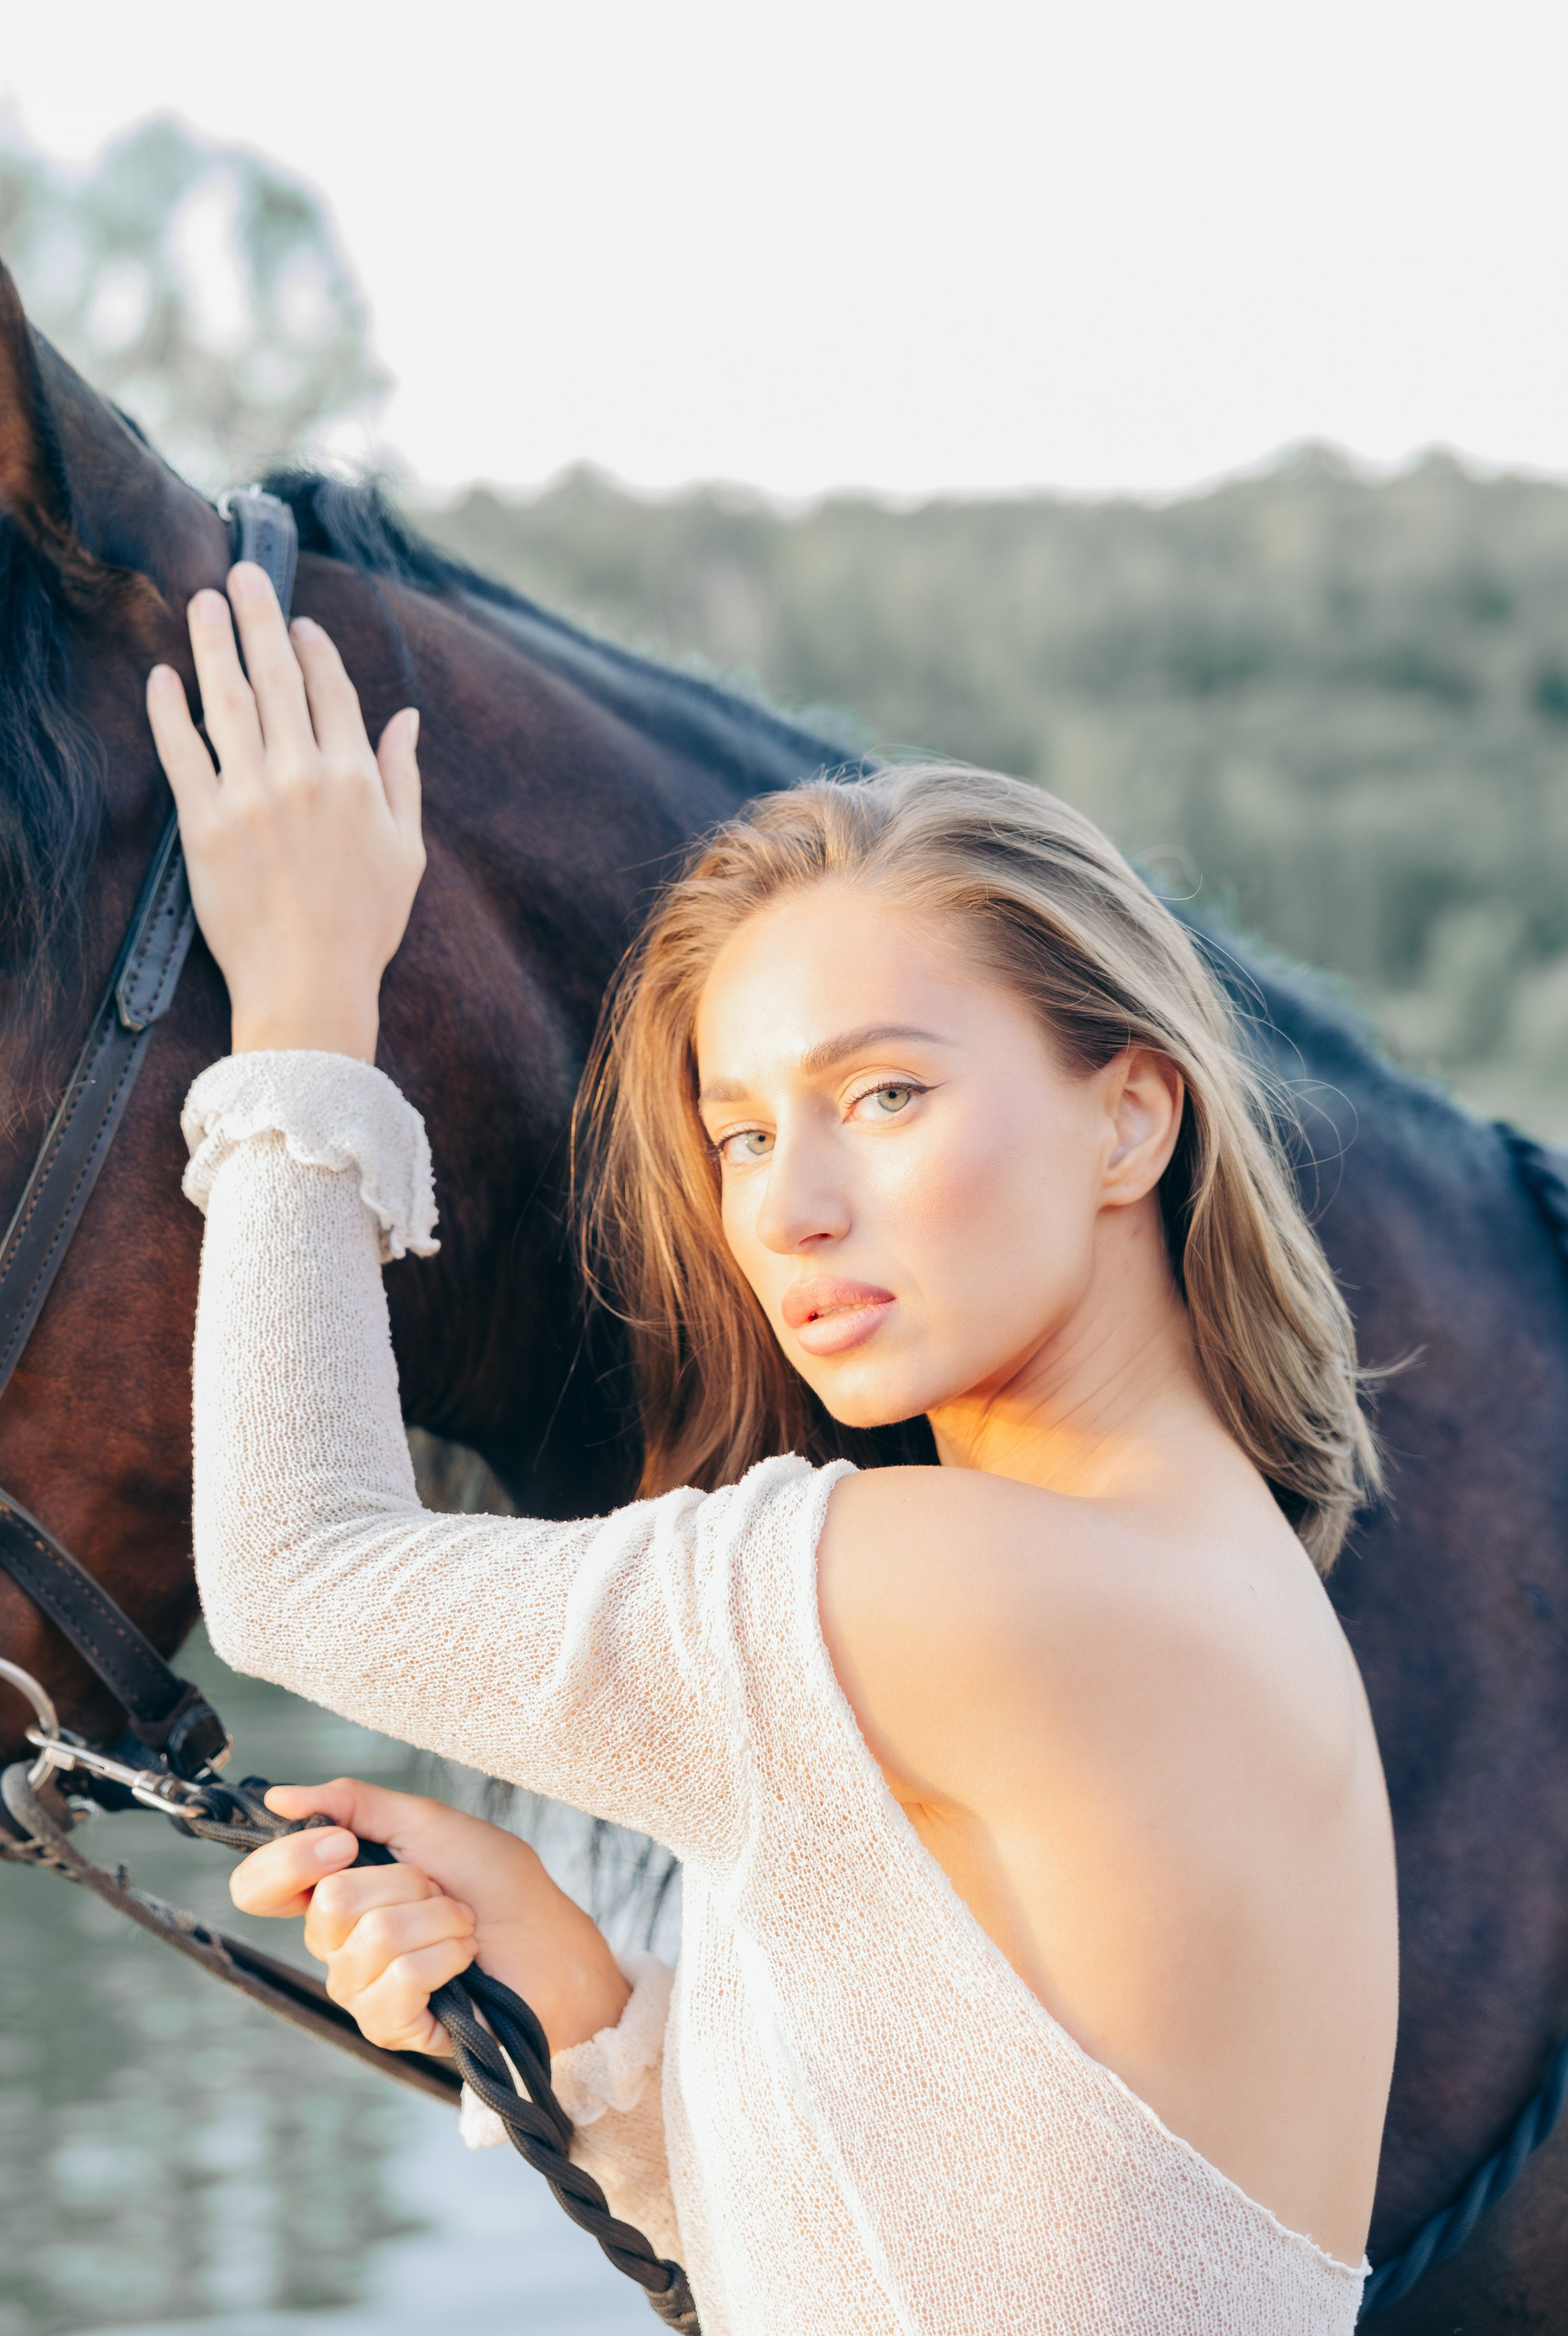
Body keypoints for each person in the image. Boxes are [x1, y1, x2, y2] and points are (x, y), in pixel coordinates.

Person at [146, 563, 1397, 2335]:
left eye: (884, 1095)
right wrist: (592, 2021)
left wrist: (297, 1008)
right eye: (736, 1136)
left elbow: (295, 1573)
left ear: (1127, 1115)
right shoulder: (1199, 1582)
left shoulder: (990, 1586)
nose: (788, 1210)